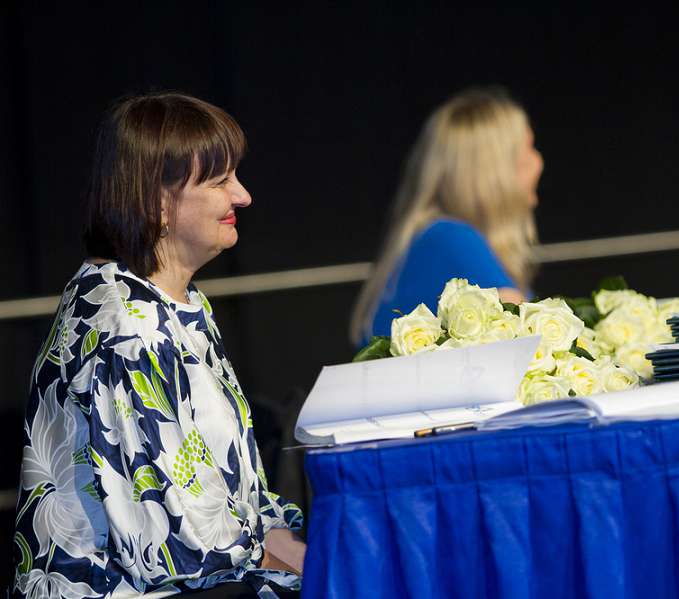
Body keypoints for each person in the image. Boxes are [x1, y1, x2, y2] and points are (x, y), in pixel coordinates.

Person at [11, 93, 306, 598]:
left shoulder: (171, 301)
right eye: (220, 181)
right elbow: (189, 554)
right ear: (158, 201)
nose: (243, 196)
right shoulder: (129, 331)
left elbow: (240, 516)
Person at [349, 87, 544, 345]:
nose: (538, 161)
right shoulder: (452, 238)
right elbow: (530, 344)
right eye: (528, 149)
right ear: (495, 172)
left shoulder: (438, 236)